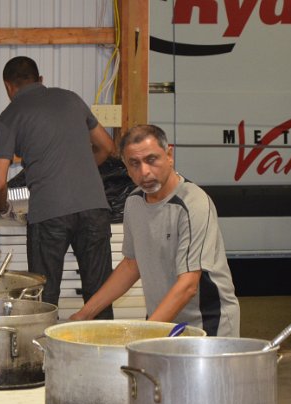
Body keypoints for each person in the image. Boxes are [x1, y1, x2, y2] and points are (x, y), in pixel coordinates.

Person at [70, 124, 240, 336]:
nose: (145, 172)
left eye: (151, 160)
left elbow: (188, 285)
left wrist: (146, 333)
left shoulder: (193, 203)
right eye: (134, 164)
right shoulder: (134, 202)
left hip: (207, 324)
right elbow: (132, 264)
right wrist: (85, 314)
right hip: (164, 321)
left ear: (169, 155)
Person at [0, 56, 116, 318]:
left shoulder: (9, 116)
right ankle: (103, 357)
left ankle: (46, 357)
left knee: (44, 299)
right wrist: (79, 170)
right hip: (94, 207)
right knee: (100, 294)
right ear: (41, 80)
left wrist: (3, 207)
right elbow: (107, 146)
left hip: (49, 214)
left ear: (8, 86)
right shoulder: (71, 99)